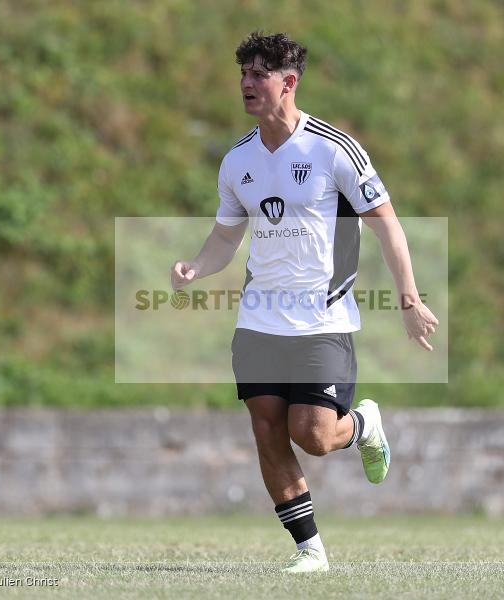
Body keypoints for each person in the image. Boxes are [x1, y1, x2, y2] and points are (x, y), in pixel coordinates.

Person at [171, 31, 438, 573]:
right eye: (243, 73)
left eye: (259, 74)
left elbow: (386, 224)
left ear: (288, 83)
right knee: (267, 428)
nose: (247, 83)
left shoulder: (333, 149)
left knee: (312, 435)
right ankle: (309, 549)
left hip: (322, 318)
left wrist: (408, 296)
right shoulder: (237, 161)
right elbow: (226, 235)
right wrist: (197, 266)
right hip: (259, 319)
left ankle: (361, 425)